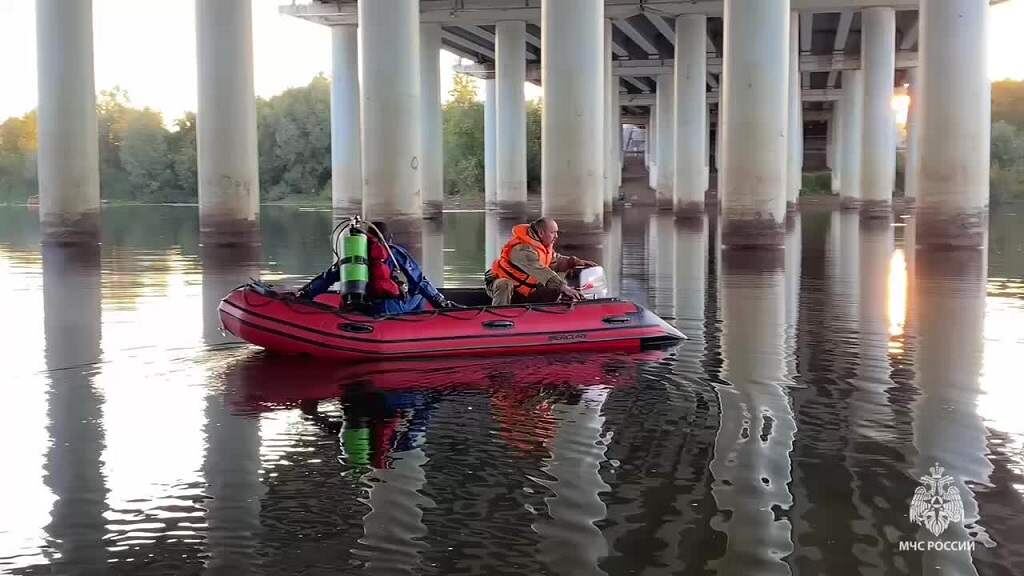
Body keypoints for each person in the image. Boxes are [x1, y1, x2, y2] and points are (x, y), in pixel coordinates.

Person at [298, 221, 454, 314]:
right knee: (420, 295)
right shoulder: (392, 252)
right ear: (388, 239)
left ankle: (304, 296)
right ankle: (415, 326)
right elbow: (419, 280)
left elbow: (327, 277)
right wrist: (441, 301)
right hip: (385, 308)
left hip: (360, 306)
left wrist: (305, 293)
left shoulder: (355, 253)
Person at [485, 217, 599, 305]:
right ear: (541, 233)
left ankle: (554, 310)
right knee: (505, 284)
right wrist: (564, 287)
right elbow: (540, 271)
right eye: (553, 232)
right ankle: (498, 318)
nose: (556, 236)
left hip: (523, 288)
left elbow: (555, 260)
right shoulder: (521, 250)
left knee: (560, 276)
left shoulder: (543, 246)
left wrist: (574, 262)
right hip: (500, 285)